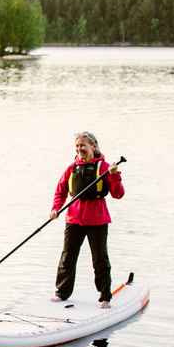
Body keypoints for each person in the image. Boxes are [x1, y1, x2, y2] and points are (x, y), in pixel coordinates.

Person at [50, 131, 124, 308]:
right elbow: (60, 191)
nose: (79, 149)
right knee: (67, 257)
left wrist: (114, 175)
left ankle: (105, 296)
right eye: (77, 146)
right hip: (74, 220)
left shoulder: (105, 167)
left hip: (97, 220)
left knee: (99, 259)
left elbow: (118, 194)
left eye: (83, 145)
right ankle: (62, 292)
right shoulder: (71, 168)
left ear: (93, 146)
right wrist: (55, 208)